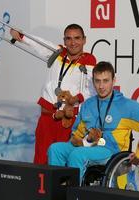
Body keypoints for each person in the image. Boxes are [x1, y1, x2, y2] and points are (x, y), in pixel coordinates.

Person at [47, 61, 139, 182]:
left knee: (78, 155)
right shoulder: (88, 104)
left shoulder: (127, 106)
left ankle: (74, 195)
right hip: (88, 147)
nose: (101, 86)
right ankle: (56, 192)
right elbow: (76, 133)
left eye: (106, 81)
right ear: (93, 81)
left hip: (111, 150)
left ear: (114, 80)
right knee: (55, 149)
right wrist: (82, 140)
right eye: (97, 81)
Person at [10, 24, 97, 164]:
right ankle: (38, 187)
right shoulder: (57, 52)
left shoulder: (89, 60)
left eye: (77, 38)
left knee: (61, 162)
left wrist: (76, 98)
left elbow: (92, 89)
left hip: (68, 120)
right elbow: (39, 44)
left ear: (84, 40)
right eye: (68, 38)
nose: (73, 42)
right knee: (40, 159)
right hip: (47, 117)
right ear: (64, 40)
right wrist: (21, 36)